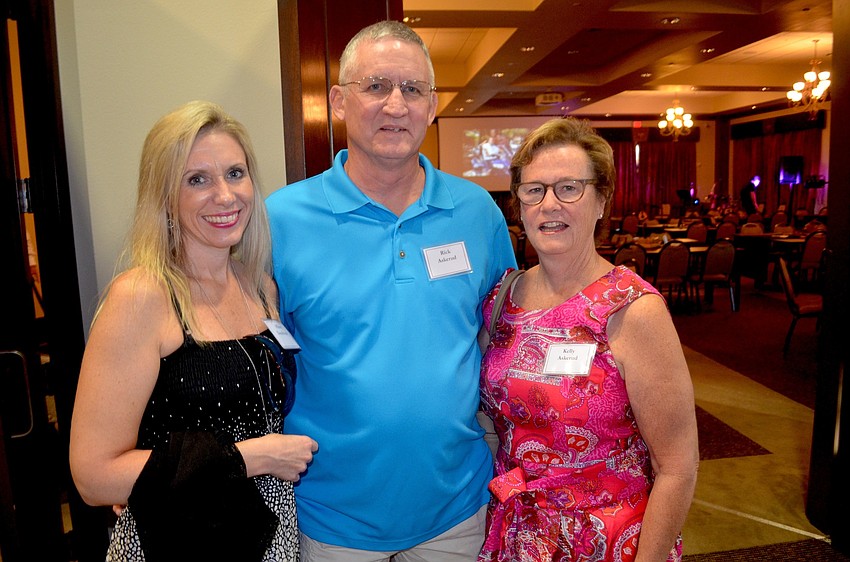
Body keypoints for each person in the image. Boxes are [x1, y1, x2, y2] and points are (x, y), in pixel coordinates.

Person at [265, 20, 516, 561]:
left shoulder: (477, 214)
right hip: (329, 516)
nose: (395, 106)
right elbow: (246, 357)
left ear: (432, 106)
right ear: (338, 101)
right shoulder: (279, 221)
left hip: (456, 511)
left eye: (413, 89)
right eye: (376, 86)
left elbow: (507, 341)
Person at [69, 100, 317, 561]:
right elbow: (93, 477)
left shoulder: (258, 285)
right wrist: (253, 457)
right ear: (164, 196)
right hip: (179, 541)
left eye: (235, 173)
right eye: (197, 179)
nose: (225, 196)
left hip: (269, 534)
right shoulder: (142, 296)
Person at [478, 118, 699, 561]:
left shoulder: (633, 309)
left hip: (610, 539)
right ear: (519, 205)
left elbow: (677, 466)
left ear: (601, 199)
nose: (549, 204)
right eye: (534, 190)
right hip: (519, 533)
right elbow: (492, 419)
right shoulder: (503, 297)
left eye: (569, 188)